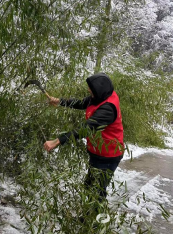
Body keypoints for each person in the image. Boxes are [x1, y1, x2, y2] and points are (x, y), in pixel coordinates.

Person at [43, 73, 124, 206]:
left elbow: (85, 129)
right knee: (89, 187)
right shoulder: (100, 96)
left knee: (97, 191)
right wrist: (60, 101)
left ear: (99, 89)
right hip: (97, 152)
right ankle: (89, 217)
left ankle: (95, 222)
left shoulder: (108, 108)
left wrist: (57, 141)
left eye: (90, 88)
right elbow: (82, 103)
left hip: (108, 155)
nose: (88, 90)